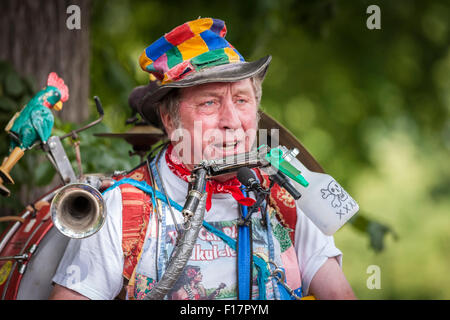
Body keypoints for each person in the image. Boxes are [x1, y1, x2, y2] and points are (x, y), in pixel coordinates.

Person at [49, 17, 356, 300]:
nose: (232, 120)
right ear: (170, 122)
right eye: (209, 102)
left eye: (241, 100)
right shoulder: (125, 207)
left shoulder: (285, 194)